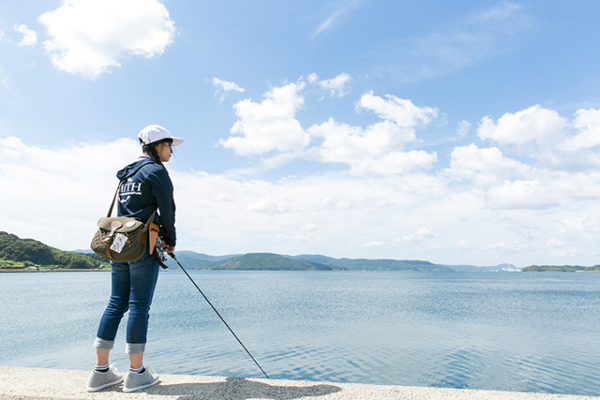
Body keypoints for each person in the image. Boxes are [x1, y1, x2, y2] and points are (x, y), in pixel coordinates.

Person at [87, 125, 183, 393]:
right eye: (168, 145)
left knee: (116, 303)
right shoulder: (156, 171)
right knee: (139, 306)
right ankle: (136, 373)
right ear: (155, 146)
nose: (171, 151)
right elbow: (167, 210)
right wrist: (170, 241)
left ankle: (100, 372)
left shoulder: (127, 173)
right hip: (142, 245)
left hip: (118, 244)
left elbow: (127, 210)